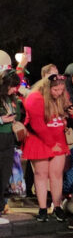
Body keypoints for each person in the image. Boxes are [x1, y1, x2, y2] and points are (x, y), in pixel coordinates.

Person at [22, 73, 73, 222]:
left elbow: (68, 109)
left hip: (57, 138)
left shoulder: (61, 95)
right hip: (39, 140)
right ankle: (42, 208)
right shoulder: (35, 98)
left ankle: (57, 206)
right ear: (47, 88)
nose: (59, 93)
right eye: (56, 90)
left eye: (61, 89)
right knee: (41, 174)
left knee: (56, 174)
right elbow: (37, 125)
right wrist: (52, 145)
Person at [0, 70, 25, 219]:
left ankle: (2, 204)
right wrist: (2, 120)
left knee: (5, 174)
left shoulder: (13, 98)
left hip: (9, 139)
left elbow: (18, 114)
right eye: (12, 86)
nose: (14, 89)